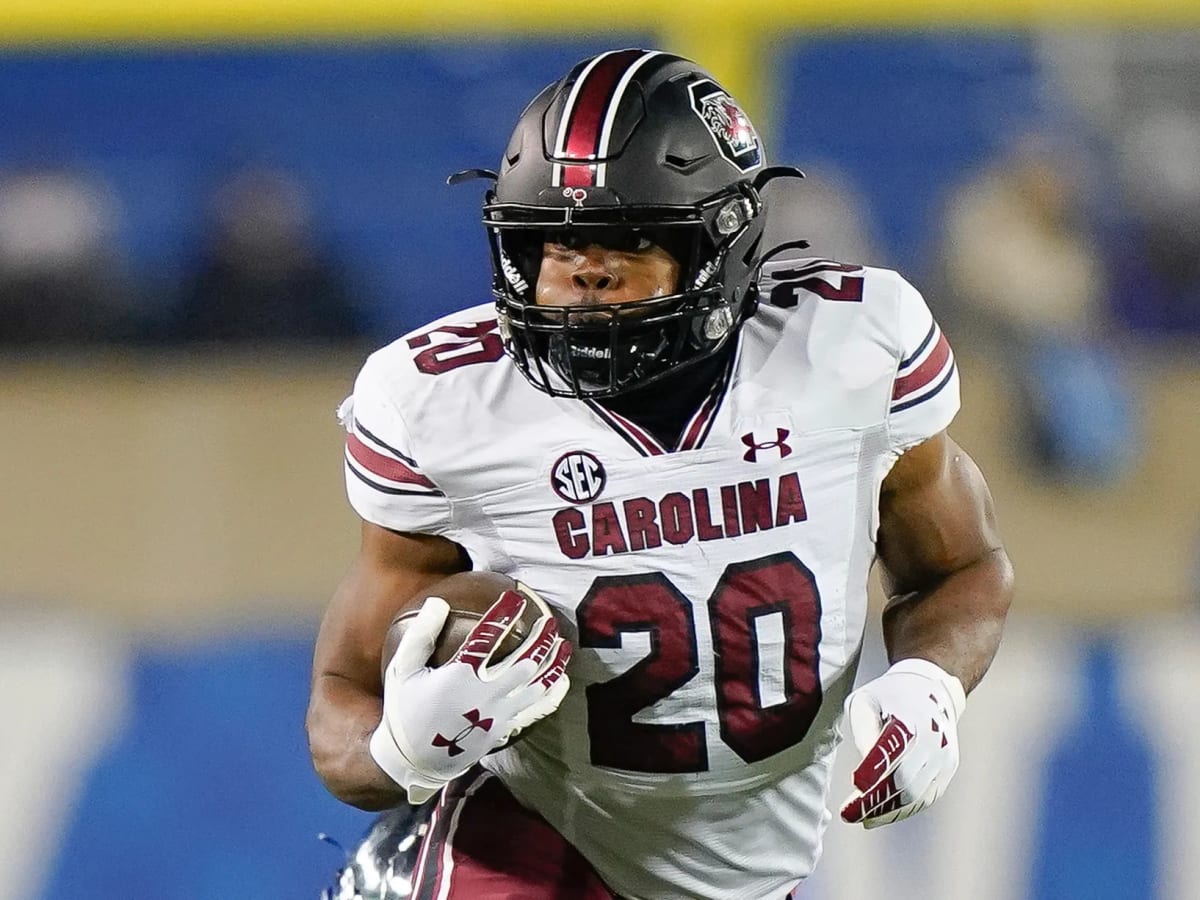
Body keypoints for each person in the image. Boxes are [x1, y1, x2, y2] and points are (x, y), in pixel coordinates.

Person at [307, 49, 1013, 900]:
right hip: (540, 832)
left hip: (757, 861)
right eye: (552, 240)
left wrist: (930, 687)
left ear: (723, 244)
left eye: (628, 240)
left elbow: (960, 567)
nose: (581, 270)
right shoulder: (440, 401)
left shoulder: (851, 348)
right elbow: (341, 701)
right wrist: (398, 751)